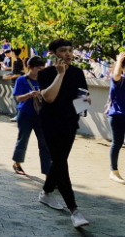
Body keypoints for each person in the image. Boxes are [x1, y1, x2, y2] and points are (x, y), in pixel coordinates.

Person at [38, 39, 90, 228]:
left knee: (59, 161)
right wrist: (60, 75)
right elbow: (49, 98)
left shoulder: (77, 72)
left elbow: (82, 100)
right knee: (61, 162)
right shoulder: (46, 73)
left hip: (70, 123)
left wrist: (84, 102)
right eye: (63, 51)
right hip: (50, 123)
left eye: (70, 50)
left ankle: (46, 193)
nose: (68, 54)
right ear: (53, 53)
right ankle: (75, 211)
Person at [11, 56, 51, 176]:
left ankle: (47, 170)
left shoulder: (44, 80)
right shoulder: (22, 80)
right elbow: (18, 98)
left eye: (42, 69)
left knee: (44, 143)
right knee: (23, 140)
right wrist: (29, 95)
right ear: (30, 67)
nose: (41, 71)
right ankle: (17, 163)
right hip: (25, 114)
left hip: (40, 115)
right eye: (38, 69)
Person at [107, 52, 125, 184]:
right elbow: (116, 74)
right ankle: (114, 171)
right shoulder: (118, 80)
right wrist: (119, 60)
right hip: (117, 115)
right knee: (117, 143)